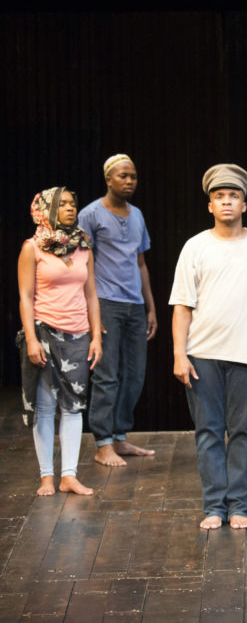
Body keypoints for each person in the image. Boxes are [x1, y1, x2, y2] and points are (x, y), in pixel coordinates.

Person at [170, 164, 247, 530]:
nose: (226, 202)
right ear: (210, 205)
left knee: (242, 432)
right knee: (208, 431)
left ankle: (239, 505)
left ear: (244, 204)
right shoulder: (195, 246)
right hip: (202, 354)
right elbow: (182, 306)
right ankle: (214, 507)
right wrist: (180, 353)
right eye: (219, 197)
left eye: (234, 196)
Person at [17, 187, 103, 497]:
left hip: (78, 334)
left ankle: (69, 475)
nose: (70, 208)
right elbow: (26, 297)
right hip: (46, 332)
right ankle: (46, 477)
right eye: (62, 204)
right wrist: (30, 338)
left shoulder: (83, 246)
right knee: (45, 406)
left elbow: (91, 294)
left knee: (73, 406)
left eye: (72, 203)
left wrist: (96, 336)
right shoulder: (33, 248)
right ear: (46, 209)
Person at [78, 153, 158, 467]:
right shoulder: (90, 214)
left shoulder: (137, 214)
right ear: (108, 178)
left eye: (133, 177)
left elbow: (141, 263)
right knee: (107, 374)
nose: (128, 181)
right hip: (106, 303)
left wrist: (150, 306)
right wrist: (92, 311)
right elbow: (85, 265)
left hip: (134, 305)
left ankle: (120, 435)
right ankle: (102, 442)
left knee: (135, 375)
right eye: (123, 176)